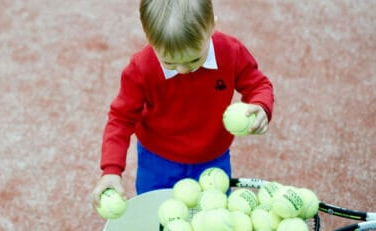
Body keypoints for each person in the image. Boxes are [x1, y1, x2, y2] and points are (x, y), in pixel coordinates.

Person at [92, 0, 274, 208]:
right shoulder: (140, 69)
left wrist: (261, 106)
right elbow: (120, 119)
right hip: (158, 162)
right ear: (148, 38)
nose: (182, 70)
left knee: (213, 217)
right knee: (158, 213)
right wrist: (111, 170)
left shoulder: (231, 51)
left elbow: (258, 84)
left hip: (213, 160)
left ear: (211, 27)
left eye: (194, 59)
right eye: (169, 62)